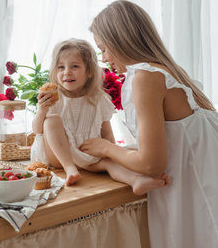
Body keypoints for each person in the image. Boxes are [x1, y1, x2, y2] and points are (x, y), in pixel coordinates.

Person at [80, 0, 218, 247]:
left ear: (120, 39)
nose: (104, 59)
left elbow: (151, 164)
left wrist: (105, 148)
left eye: (103, 49)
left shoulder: (144, 77)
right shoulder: (166, 70)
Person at [32, 38, 168, 193]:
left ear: (89, 71)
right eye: (60, 67)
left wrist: (113, 154)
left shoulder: (98, 99)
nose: (66, 72)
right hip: (59, 158)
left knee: (109, 163)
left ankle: (136, 181)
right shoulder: (53, 99)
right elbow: (37, 131)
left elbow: (107, 132)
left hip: (86, 154)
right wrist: (42, 110)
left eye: (74, 66)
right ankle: (70, 169)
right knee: (51, 121)